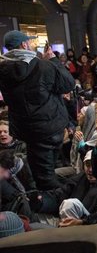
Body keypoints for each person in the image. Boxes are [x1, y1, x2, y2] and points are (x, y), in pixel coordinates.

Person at [0, 31, 75, 190]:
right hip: (50, 128)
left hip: (27, 130)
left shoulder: (3, 71)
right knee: (46, 178)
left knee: (43, 170)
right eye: (30, 42)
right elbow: (68, 84)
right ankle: (64, 200)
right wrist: (53, 60)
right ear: (24, 45)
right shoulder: (43, 66)